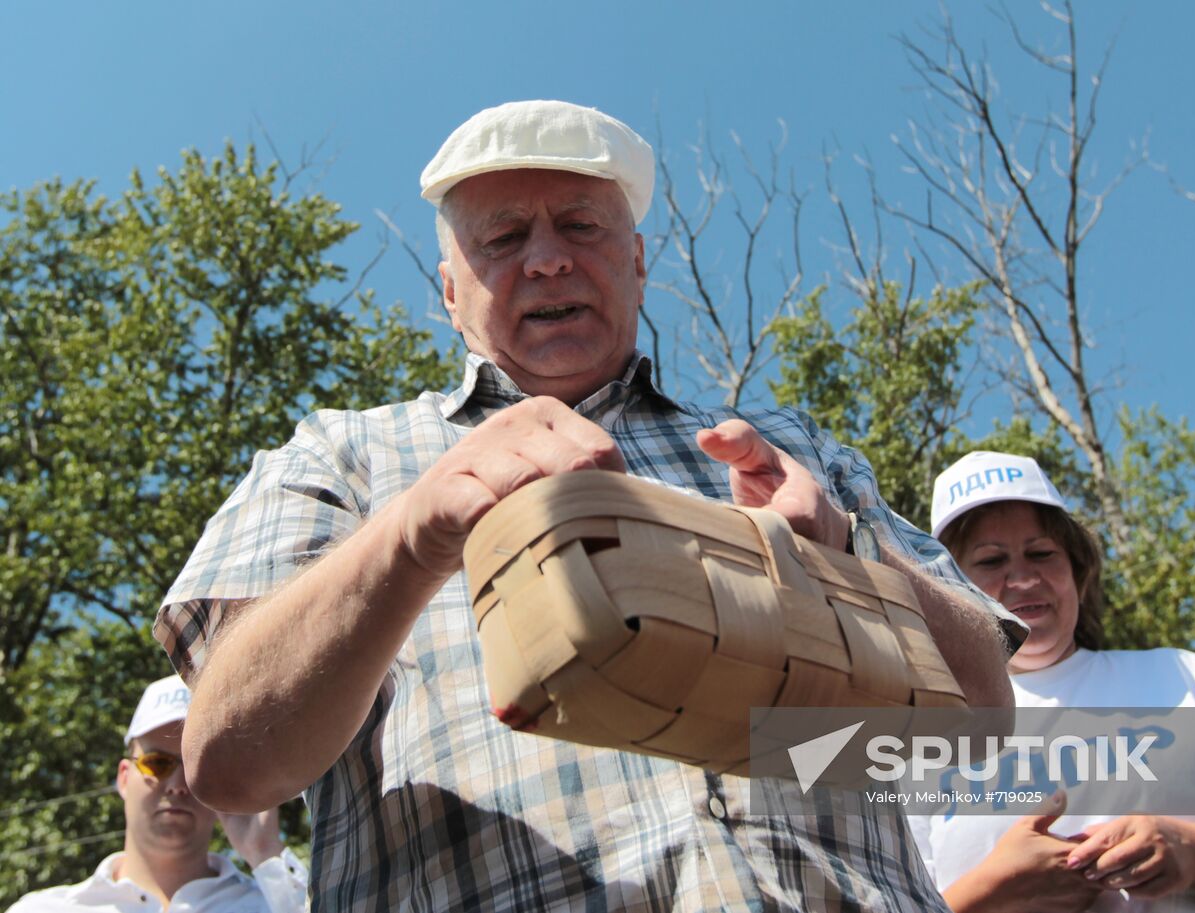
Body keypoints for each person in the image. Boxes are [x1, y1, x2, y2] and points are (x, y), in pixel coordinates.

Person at [153, 100, 1025, 911]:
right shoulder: (345, 455)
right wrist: (412, 538)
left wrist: (847, 557)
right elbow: (228, 759)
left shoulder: (791, 449)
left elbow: (982, 721)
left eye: (581, 225)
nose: (546, 258)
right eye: (501, 237)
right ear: (450, 293)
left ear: (637, 263)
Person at [907, 450, 1195, 913]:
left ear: (1077, 569)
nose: (1024, 577)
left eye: (1042, 552)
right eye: (991, 561)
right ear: (949, 589)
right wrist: (992, 893)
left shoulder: (1182, 678)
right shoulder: (923, 743)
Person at [7, 675, 307, 913]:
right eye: (157, 764)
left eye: (194, 767)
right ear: (124, 778)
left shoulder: (272, 904)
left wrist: (265, 851)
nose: (177, 783)